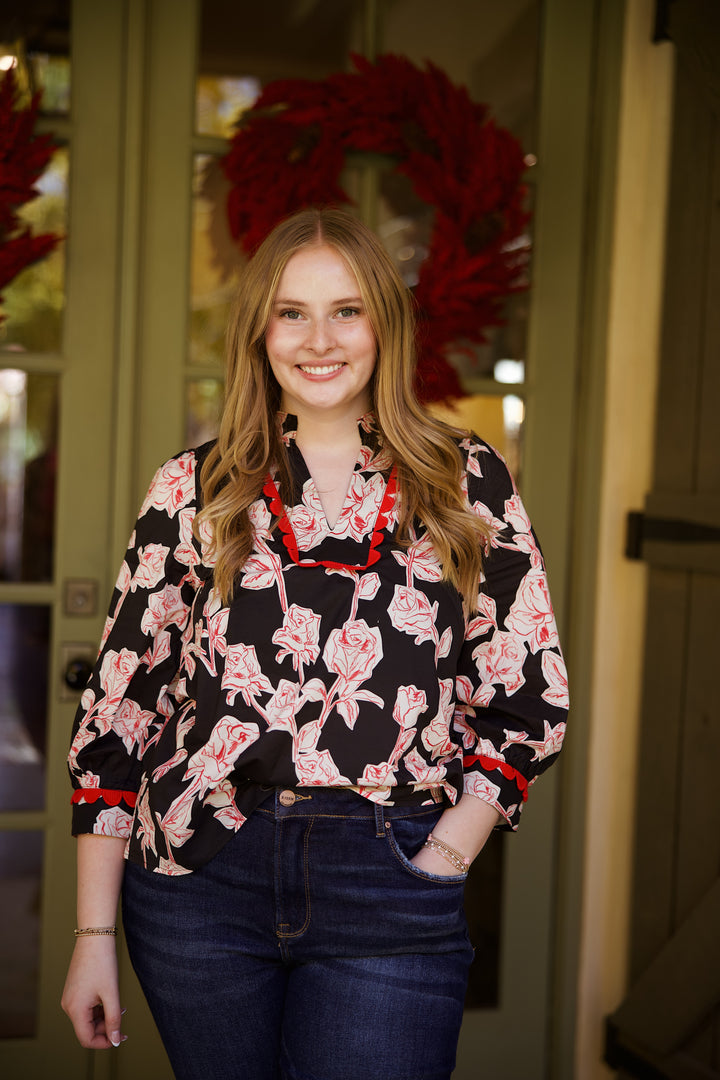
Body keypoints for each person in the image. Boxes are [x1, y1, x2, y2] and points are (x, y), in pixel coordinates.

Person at [61, 207, 568, 1080]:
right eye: (292, 312)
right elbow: (120, 713)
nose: (318, 339)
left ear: (384, 324)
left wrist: (446, 855)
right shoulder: (192, 488)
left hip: (392, 878)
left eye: (347, 309)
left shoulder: (464, 477)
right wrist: (93, 935)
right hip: (199, 881)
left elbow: (529, 695)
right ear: (261, 331)